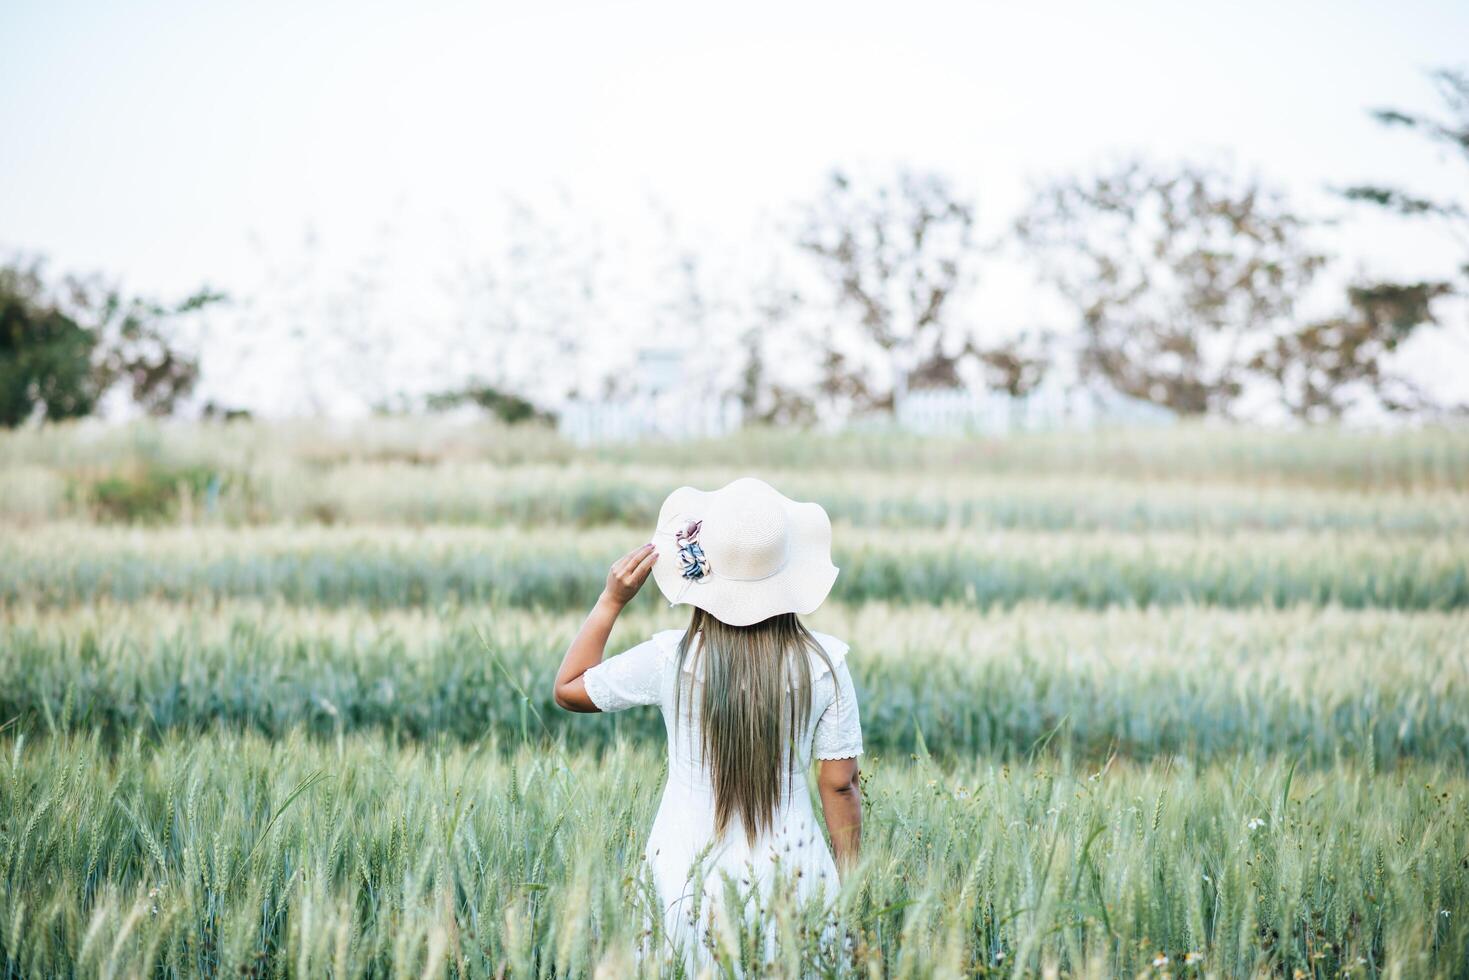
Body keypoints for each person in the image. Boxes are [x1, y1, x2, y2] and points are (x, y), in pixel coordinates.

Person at [552, 477, 864, 972]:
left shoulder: (669, 658)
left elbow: (568, 688)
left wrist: (611, 602)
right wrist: (853, 891)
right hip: (797, 882)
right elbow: (840, 786)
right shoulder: (825, 664)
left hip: (681, 885)